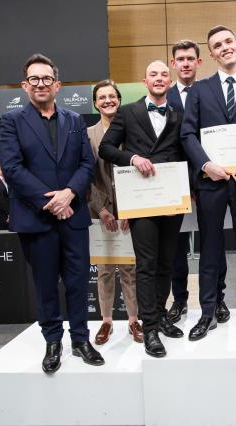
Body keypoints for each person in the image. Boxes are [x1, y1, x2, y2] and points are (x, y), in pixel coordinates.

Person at [0, 53, 104, 374]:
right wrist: (52, 201)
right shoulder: (11, 121)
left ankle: (81, 339)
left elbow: (88, 164)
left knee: (77, 281)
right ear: (25, 85)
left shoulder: (74, 121)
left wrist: (69, 193)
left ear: (57, 85)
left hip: (74, 216)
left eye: (46, 79)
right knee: (45, 284)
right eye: (34, 79)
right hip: (37, 218)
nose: (40, 84)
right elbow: (13, 169)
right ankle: (53, 341)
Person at [181, 25, 236, 344]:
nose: (224, 47)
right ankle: (206, 314)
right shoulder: (198, 91)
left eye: (229, 41)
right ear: (212, 54)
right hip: (211, 182)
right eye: (217, 45)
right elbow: (187, 134)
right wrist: (206, 164)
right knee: (210, 252)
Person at [99, 60, 185, 358]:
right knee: (146, 265)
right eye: (153, 74)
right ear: (144, 80)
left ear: (170, 82)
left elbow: (185, 152)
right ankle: (149, 329)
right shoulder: (127, 112)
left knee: (166, 263)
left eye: (164, 74)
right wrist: (133, 158)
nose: (159, 78)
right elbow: (106, 149)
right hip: (140, 200)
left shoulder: (178, 114)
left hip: (171, 199)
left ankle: (159, 316)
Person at [166, 39, 230, 325]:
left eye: (191, 58)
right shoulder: (163, 97)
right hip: (175, 185)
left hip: (209, 179)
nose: (186, 63)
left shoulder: (210, 92)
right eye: (180, 59)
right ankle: (180, 299)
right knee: (177, 246)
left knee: (213, 241)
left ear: (199, 62)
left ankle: (218, 298)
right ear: (173, 63)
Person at [87, 80, 142, 345]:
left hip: (130, 211)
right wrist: (102, 209)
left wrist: (130, 208)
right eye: (102, 97)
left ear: (119, 100)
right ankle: (106, 321)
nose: (108, 100)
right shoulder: (87, 135)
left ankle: (134, 321)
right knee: (105, 269)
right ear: (96, 103)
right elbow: (87, 177)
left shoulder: (132, 131)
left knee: (130, 269)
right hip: (100, 213)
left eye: (112, 96)